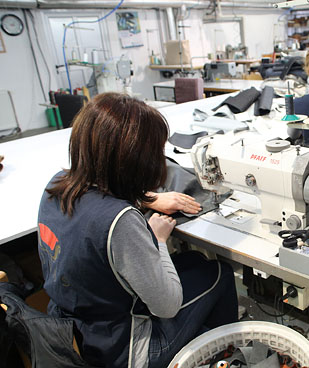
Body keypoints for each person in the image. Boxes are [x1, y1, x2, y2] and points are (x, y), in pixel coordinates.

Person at [37, 93, 238, 367]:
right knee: (218, 273)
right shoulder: (120, 221)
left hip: (69, 331)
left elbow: (101, 199)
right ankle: (222, 356)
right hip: (124, 353)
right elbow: (166, 306)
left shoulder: (56, 185)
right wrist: (158, 240)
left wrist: (149, 199)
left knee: (191, 262)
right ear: (136, 160)